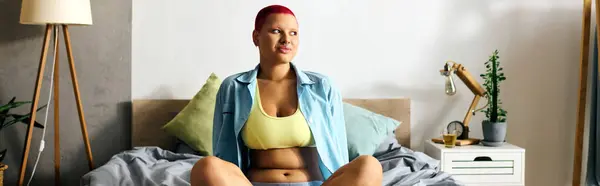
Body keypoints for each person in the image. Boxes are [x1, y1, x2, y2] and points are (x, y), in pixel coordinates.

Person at [190, 4, 383, 186]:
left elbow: (338, 149)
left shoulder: (322, 86)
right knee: (206, 166)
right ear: (256, 37)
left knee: (370, 165)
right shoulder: (234, 87)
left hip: (315, 183)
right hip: (255, 183)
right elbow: (222, 151)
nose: (286, 39)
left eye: (293, 33)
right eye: (276, 31)